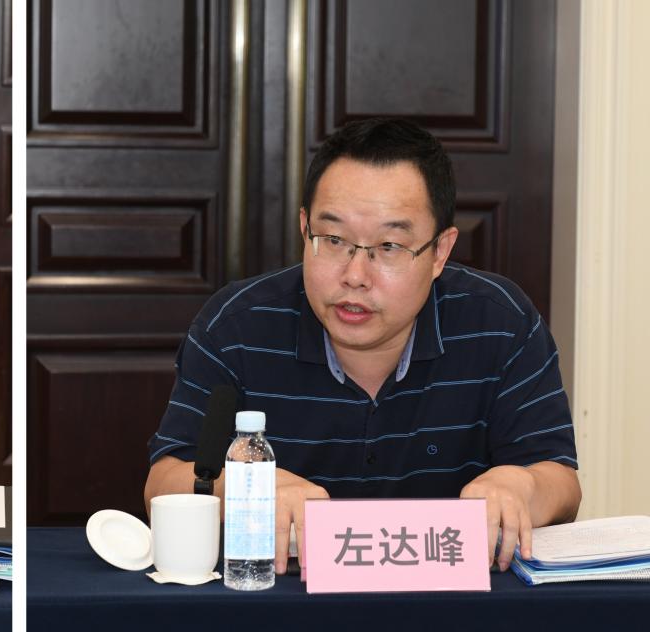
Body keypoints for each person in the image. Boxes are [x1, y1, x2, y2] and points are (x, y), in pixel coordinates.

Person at [143, 117, 580, 574]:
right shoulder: (235, 327)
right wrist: (246, 488)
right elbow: (163, 481)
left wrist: (520, 486)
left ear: (440, 252)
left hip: (448, 600)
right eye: (333, 240)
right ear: (304, 229)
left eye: (389, 246)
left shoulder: (502, 324)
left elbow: (561, 482)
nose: (355, 276)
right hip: (281, 599)